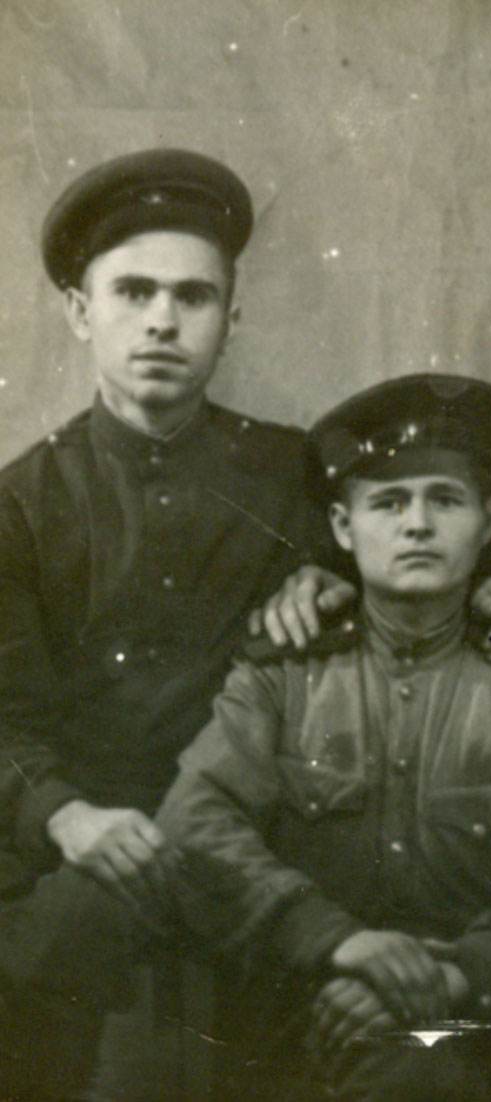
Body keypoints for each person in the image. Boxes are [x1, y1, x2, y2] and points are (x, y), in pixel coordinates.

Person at [156, 373, 491, 1100]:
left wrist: (450, 980)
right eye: (389, 503)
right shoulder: (282, 672)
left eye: (445, 500)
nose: (416, 524)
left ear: (489, 522)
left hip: (483, 1017)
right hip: (304, 1003)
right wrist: (337, 942)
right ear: (341, 528)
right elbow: (193, 822)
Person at [0, 147, 331, 1095]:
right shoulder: (20, 504)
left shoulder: (297, 475)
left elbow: (406, 569)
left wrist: (334, 581)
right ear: (79, 311)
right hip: (91, 830)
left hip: (259, 830)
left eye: (193, 296)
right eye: (133, 291)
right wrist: (63, 817)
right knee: (38, 964)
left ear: (231, 320)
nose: (161, 319)